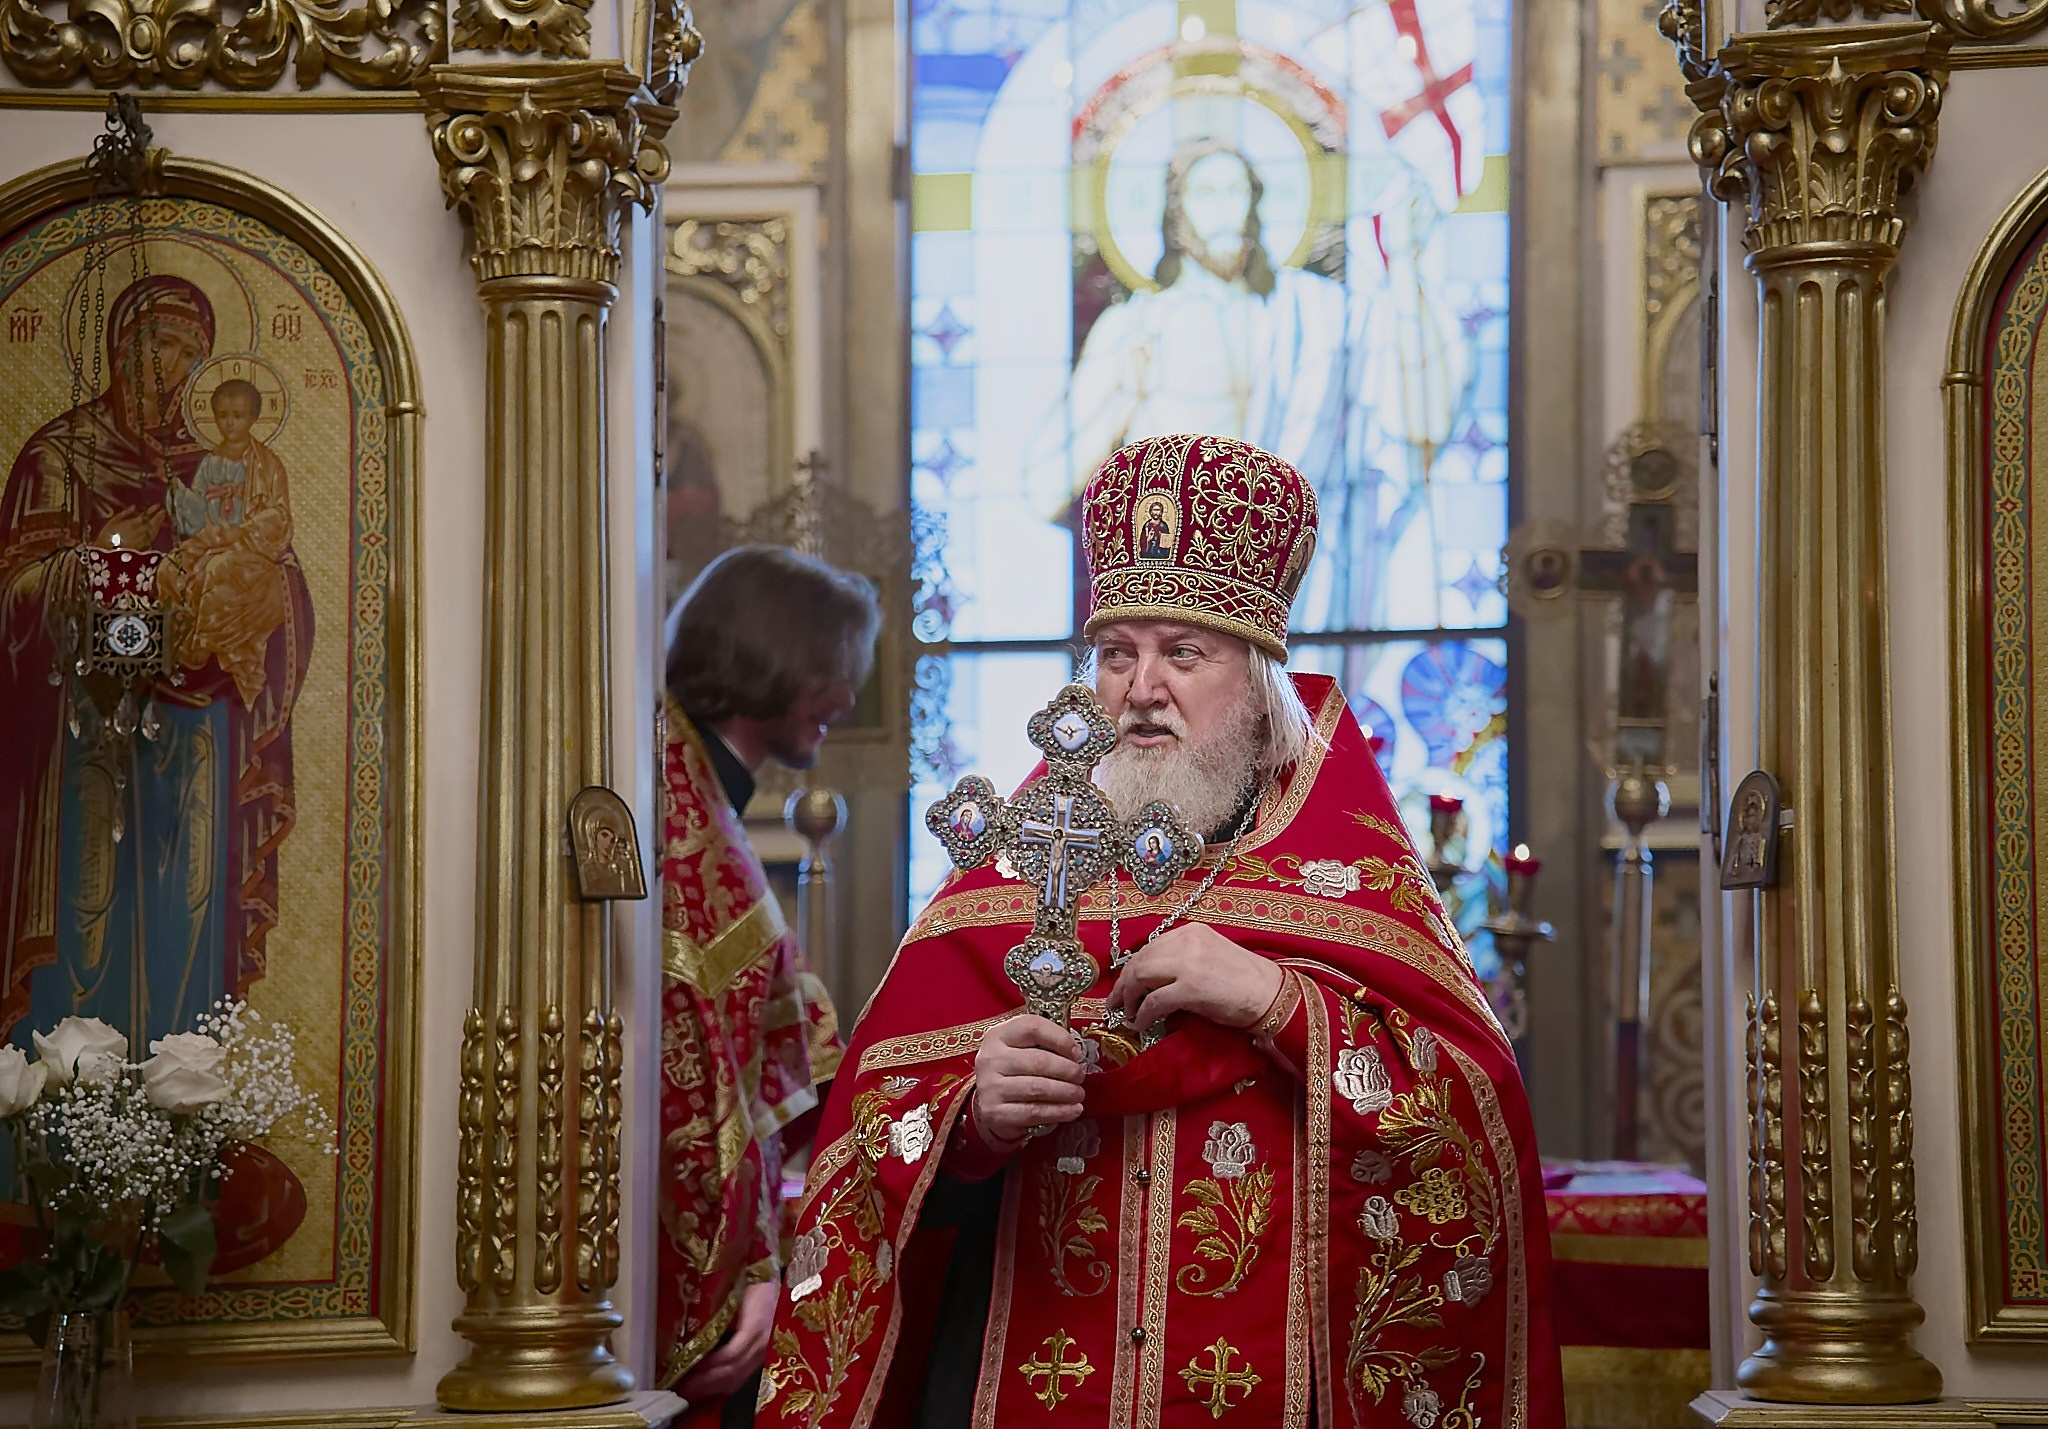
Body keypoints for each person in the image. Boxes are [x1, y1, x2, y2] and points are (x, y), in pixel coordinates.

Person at [759, 435, 1563, 1427]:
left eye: (1183, 652)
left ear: (1262, 684)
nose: (1142, 687)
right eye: (1115, 654)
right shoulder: (1023, 871)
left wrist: (1279, 1002)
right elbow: (873, 1142)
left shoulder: (1350, 880)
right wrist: (970, 1115)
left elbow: (1466, 1120)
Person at [0, 274, 312, 1047]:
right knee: (88, 917)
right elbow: (13, 598)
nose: (164, 365)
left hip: (193, 728)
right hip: (82, 735)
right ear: (115, 349)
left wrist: (247, 586)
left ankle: (178, 1114)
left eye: (184, 351)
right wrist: (101, 555)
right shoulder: (57, 456)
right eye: (152, 343)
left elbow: (284, 588)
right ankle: (60, 1124)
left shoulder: (216, 472)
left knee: (189, 904)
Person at [658, 544, 883, 1425]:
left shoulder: (695, 788)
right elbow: (695, 1069)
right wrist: (751, 1262)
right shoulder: (680, 808)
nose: (847, 700)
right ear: (779, 655)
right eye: (833, 672)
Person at [160, 376, 295, 704]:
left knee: (219, 570)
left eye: (238, 415)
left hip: (248, 547)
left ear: (252, 418)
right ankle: (169, 651)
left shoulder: (267, 464)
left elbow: (279, 515)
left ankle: (198, 657)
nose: (230, 422)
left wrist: (245, 531)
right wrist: (179, 495)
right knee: (168, 568)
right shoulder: (210, 461)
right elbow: (196, 514)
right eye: (223, 415)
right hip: (211, 538)